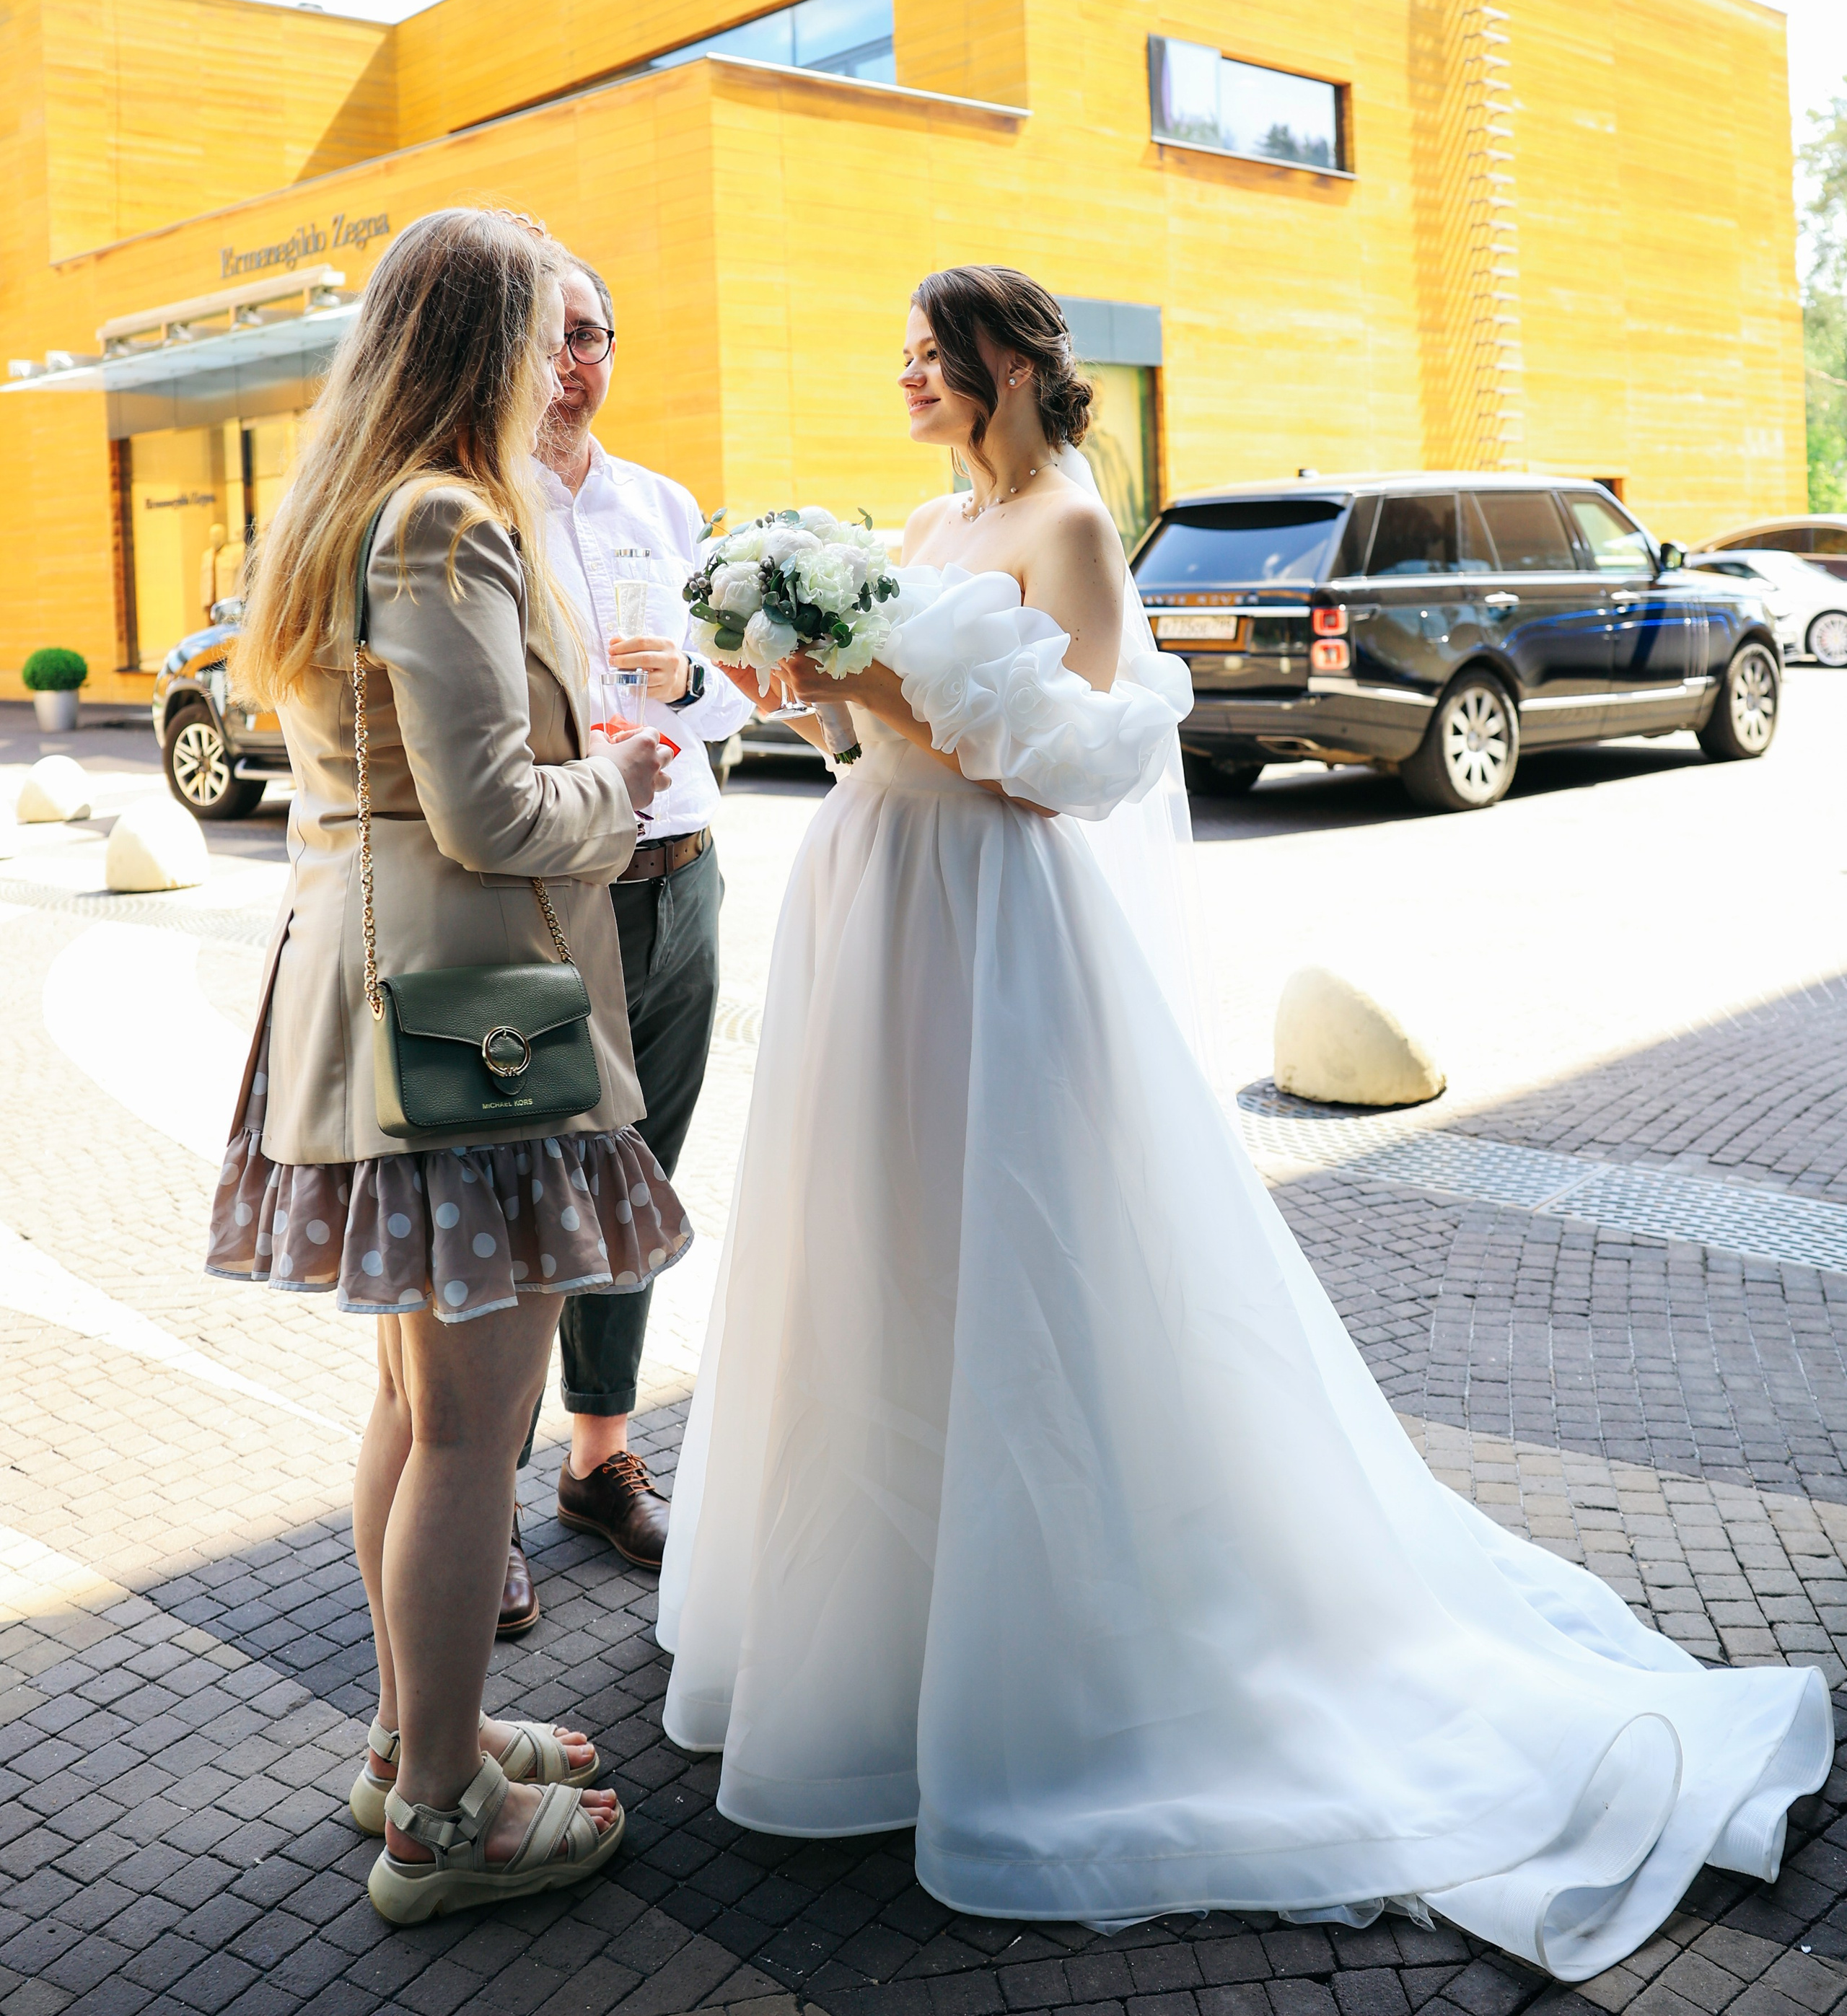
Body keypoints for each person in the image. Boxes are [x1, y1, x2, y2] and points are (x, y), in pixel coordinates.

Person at [656, 265, 1830, 1983]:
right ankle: (876, 1649)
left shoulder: (1065, 531)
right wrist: (810, 693)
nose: (905, 371)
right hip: (872, 905)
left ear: (1000, 368)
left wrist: (874, 684)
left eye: (930, 350)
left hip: (986, 921)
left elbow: (1053, 768)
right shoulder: (918, 515)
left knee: (1012, 1258)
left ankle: (1039, 1649)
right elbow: (876, 752)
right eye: (898, 345)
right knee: (874, 1250)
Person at [207, 206, 689, 1924]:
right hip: (473, 1018)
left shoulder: (362, 503)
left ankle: (423, 1738)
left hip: (387, 994)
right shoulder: (443, 524)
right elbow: (491, 810)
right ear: (481, 347)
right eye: (543, 327)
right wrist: (623, 783)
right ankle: (439, 1815)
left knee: (420, 1410)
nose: (566, 357)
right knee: (476, 1429)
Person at [501, 251, 755, 1628]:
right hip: (561, 893)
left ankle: (599, 1460)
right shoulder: (483, 511)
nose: (571, 363)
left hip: (686, 876)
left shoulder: (664, 505)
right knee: (533, 1183)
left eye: (591, 335)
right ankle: (478, 1501)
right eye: (545, 339)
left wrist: (696, 679)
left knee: (644, 1175)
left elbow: (731, 708)